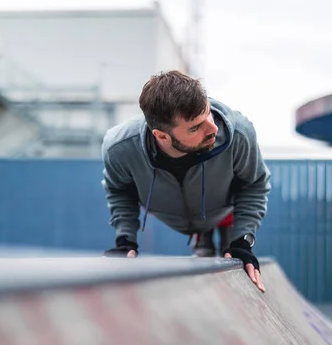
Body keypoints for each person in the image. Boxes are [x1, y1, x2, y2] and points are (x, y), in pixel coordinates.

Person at [100, 70, 270, 292]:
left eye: (208, 114)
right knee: (203, 251)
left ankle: (220, 237)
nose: (213, 128)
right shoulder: (121, 148)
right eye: (195, 127)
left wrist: (243, 241)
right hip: (173, 209)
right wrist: (125, 241)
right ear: (162, 136)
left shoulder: (238, 133)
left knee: (232, 255)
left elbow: (254, 184)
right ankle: (202, 237)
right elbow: (119, 191)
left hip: (223, 207)